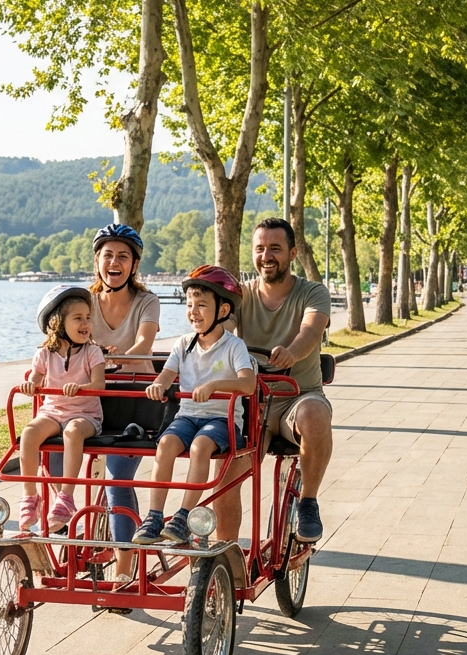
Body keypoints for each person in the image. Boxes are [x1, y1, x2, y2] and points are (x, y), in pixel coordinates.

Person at [216, 217, 332, 544]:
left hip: (298, 396)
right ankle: (226, 562)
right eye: (260, 248)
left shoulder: (313, 292)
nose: (266, 256)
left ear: (293, 253)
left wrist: (293, 353)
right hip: (252, 401)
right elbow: (222, 328)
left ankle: (308, 501)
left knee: (315, 413)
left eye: (275, 249)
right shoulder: (240, 295)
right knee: (224, 480)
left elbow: (311, 330)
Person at [132, 266, 254, 545]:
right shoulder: (184, 343)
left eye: (201, 305)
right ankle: (154, 516)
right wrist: (159, 385)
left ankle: (183, 517)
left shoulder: (233, 346)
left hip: (222, 421)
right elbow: (167, 374)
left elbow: (247, 384)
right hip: (188, 416)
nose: (193, 311)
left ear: (223, 310)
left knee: (200, 447)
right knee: (165, 445)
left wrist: (215, 385)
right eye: (189, 305)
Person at [87, 225, 161, 575]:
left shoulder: (147, 301)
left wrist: (118, 360)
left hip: (133, 399)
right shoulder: (83, 302)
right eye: (107, 255)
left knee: (117, 479)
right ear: (97, 260)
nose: (114, 262)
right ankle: (59, 526)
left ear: (134, 265)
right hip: (91, 399)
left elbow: (145, 343)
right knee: (53, 465)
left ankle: (124, 568)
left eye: (122, 256)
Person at [18, 286, 105, 532]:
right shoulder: (45, 353)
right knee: (29, 433)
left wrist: (81, 386)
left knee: (73, 431)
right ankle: (30, 495)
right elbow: (35, 378)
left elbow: (99, 384)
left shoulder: (92, 352)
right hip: (53, 411)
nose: (85, 323)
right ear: (58, 323)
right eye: (78, 318)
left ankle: (66, 496)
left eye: (88, 317)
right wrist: (30, 385)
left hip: (85, 415)